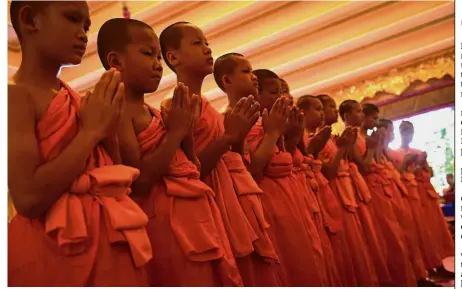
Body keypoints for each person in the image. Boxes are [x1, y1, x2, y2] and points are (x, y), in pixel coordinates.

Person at [8, 2, 150, 286]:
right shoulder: (14, 97)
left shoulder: (78, 99)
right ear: (30, 19)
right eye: (73, 19)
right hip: (57, 249)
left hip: (112, 238)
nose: (84, 34)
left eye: (86, 26)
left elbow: (115, 176)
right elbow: (28, 199)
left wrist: (107, 131)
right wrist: (92, 131)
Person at [96, 18, 242, 286]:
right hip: (166, 225)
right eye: (147, 54)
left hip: (198, 216)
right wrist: (176, 133)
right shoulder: (117, 111)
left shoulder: (155, 112)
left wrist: (183, 131)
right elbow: (139, 182)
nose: (157, 64)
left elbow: (192, 169)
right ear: (116, 61)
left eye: (158, 57)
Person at [159, 22, 281, 286]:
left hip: (234, 201)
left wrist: (236, 136)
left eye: (207, 44)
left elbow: (238, 163)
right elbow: (190, 172)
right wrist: (229, 136)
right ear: (173, 57)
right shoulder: (174, 106)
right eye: (197, 43)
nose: (207, 49)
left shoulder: (209, 109)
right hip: (209, 206)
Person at [245, 69, 330, 286]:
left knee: (309, 254)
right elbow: (253, 169)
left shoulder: (278, 125)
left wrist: (291, 136)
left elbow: (290, 157)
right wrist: (275, 133)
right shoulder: (249, 126)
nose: (282, 98)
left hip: (294, 193)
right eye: (276, 92)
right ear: (256, 92)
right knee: (292, 258)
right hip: (270, 198)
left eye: (284, 92)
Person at [341, 99, 420, 286]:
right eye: (359, 112)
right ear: (346, 116)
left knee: (398, 234)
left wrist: (376, 147)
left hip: (382, 187)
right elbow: (365, 167)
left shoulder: (365, 136)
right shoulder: (349, 137)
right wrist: (372, 148)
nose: (362, 116)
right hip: (368, 189)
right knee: (387, 237)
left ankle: (409, 278)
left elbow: (377, 161)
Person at [315, 95, 379, 286]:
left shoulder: (339, 138)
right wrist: (374, 148)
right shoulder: (320, 139)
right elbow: (357, 166)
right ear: (347, 115)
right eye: (328, 108)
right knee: (350, 243)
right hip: (336, 191)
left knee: (362, 241)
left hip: (351, 188)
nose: (332, 111)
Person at [398, 121, 455, 278]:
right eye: (405, 130)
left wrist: (424, 164)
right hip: (413, 194)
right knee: (422, 232)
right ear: (400, 132)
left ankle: (440, 264)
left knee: (435, 229)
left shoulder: (418, 151)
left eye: (410, 130)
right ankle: (427, 268)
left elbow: (430, 173)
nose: (408, 133)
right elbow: (401, 176)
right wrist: (414, 167)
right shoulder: (397, 153)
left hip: (426, 193)